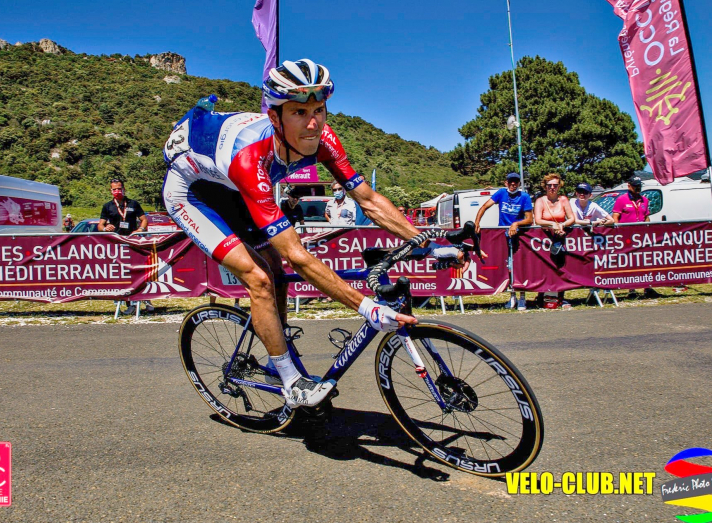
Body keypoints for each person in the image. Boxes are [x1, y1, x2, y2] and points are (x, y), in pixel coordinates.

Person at [161, 58, 465, 408]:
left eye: (319, 109)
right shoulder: (248, 157)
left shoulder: (324, 139)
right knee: (259, 278)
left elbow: (367, 200)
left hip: (232, 188)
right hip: (193, 192)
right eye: (299, 112)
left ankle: (278, 340)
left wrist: (424, 243)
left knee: (277, 273)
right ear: (275, 117)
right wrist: (365, 307)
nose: (313, 122)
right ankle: (291, 379)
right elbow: (297, 254)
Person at [474, 171, 533, 311]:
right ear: (506, 182)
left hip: (520, 236)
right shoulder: (501, 193)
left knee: (520, 266)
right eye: (511, 181)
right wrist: (477, 223)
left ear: (519, 183)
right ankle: (512, 296)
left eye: (516, 182)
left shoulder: (524, 196)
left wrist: (516, 224)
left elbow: (530, 219)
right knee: (509, 267)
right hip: (503, 236)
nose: (513, 184)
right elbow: (484, 207)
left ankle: (523, 298)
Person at [98, 179, 152, 313]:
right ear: (111, 191)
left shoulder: (133, 203)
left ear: (124, 189)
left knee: (140, 272)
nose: (117, 191)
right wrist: (105, 228)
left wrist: (140, 230)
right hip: (118, 244)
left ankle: (147, 299)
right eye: (114, 189)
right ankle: (130, 304)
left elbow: (144, 220)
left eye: (119, 189)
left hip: (134, 243)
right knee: (124, 274)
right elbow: (100, 225)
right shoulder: (107, 206)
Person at [612, 176, 661, 298]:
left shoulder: (644, 200)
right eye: (635, 186)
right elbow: (615, 217)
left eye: (639, 186)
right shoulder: (621, 200)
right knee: (629, 262)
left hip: (641, 236)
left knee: (644, 261)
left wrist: (648, 227)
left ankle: (647, 287)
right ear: (629, 186)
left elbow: (646, 216)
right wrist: (618, 234)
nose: (638, 188)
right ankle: (631, 289)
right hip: (627, 236)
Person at [534, 173, 576, 309]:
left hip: (560, 237)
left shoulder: (563, 200)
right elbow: (538, 219)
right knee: (544, 268)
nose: (552, 188)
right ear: (545, 186)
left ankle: (561, 297)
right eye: (549, 185)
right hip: (544, 239)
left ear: (559, 187)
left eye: (555, 185)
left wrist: (562, 225)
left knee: (561, 267)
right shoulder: (540, 200)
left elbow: (571, 218)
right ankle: (541, 296)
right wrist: (552, 224)